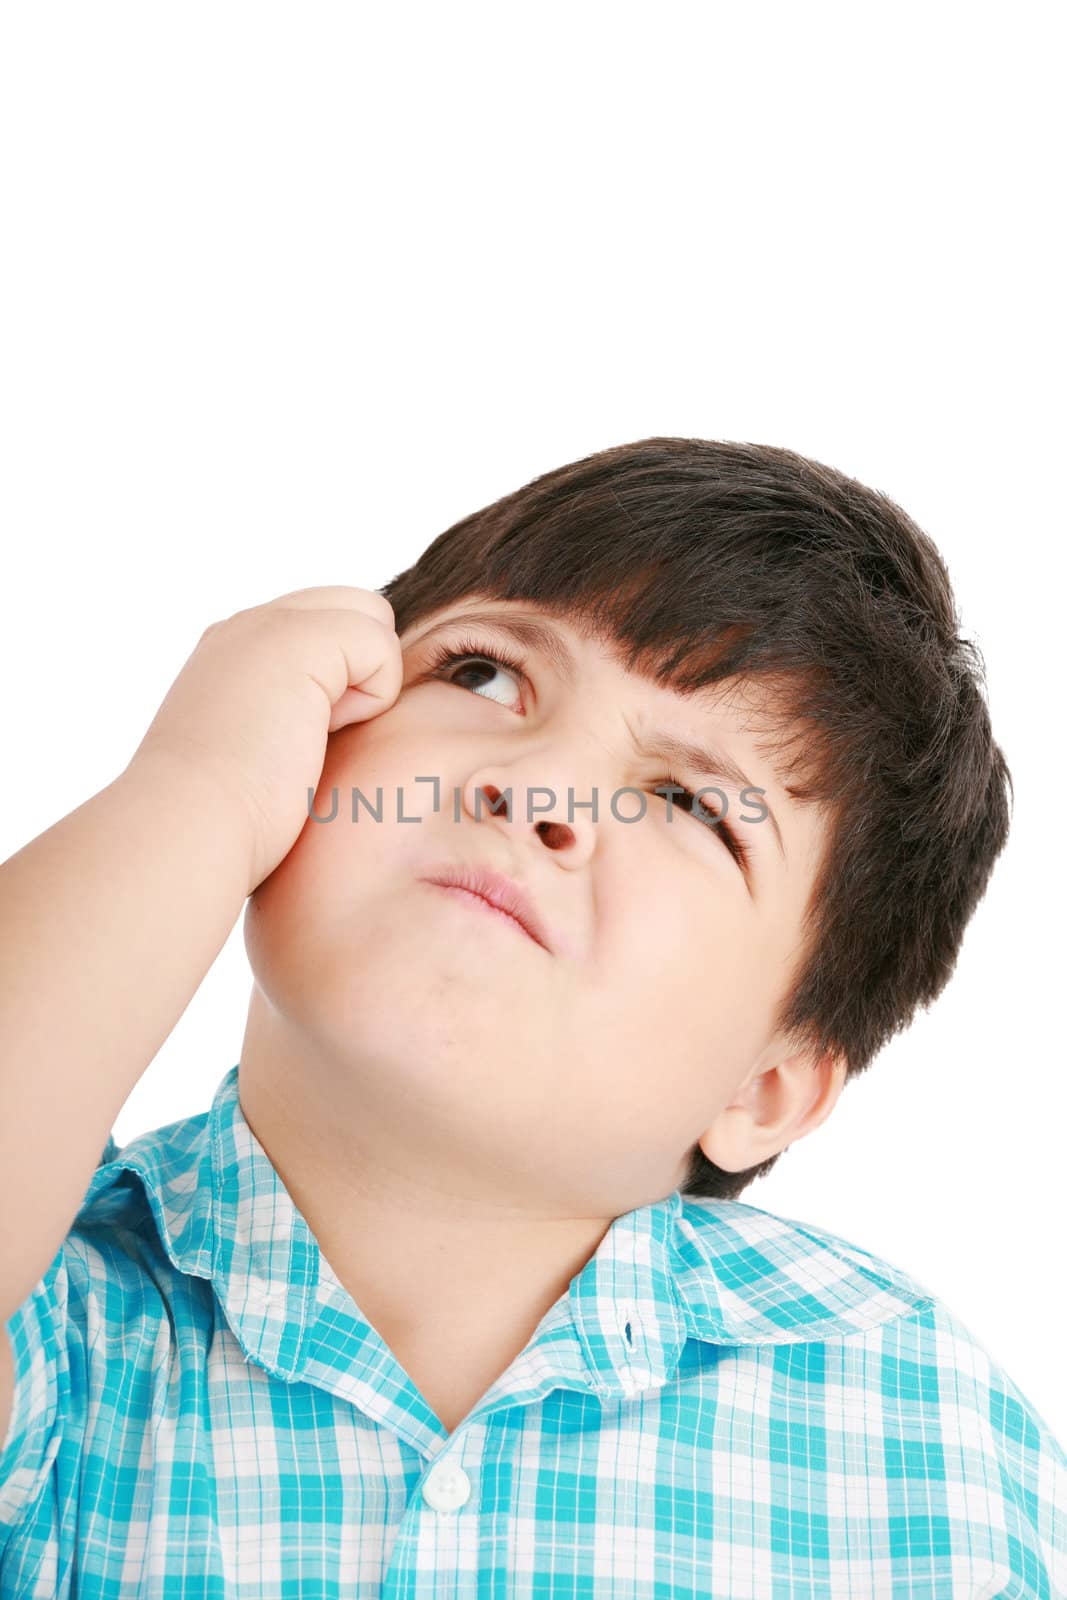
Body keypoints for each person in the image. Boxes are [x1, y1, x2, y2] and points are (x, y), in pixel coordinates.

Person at [1, 437, 1063, 1595]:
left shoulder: (919, 1443)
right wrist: (193, 786)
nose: (539, 789)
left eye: (688, 804)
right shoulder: (54, 1311)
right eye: (481, 675)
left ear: (760, 1089)